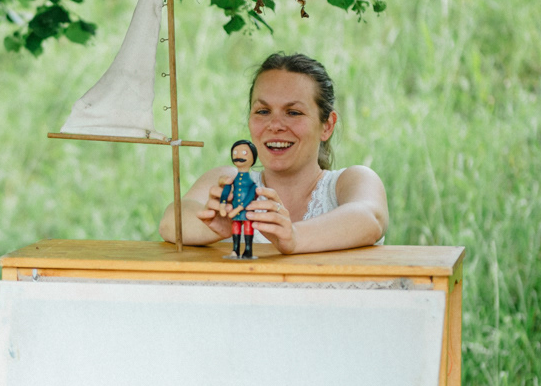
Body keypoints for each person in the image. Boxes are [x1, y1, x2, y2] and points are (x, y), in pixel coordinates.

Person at [159, 53, 388, 254]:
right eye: (263, 111)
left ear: (327, 126)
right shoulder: (231, 180)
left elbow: (370, 218)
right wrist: (216, 224)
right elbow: (170, 221)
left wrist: (293, 236)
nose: (275, 125)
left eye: (293, 112)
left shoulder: (351, 181)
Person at [219, 140, 260, 259]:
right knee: (235, 228)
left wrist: (239, 208)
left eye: (244, 152)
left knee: (248, 227)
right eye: (235, 153)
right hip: (234, 210)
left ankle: (248, 250)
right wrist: (222, 204)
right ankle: (235, 250)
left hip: (245, 211)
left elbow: (250, 196)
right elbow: (226, 190)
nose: (238, 156)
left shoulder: (252, 183)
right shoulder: (234, 179)